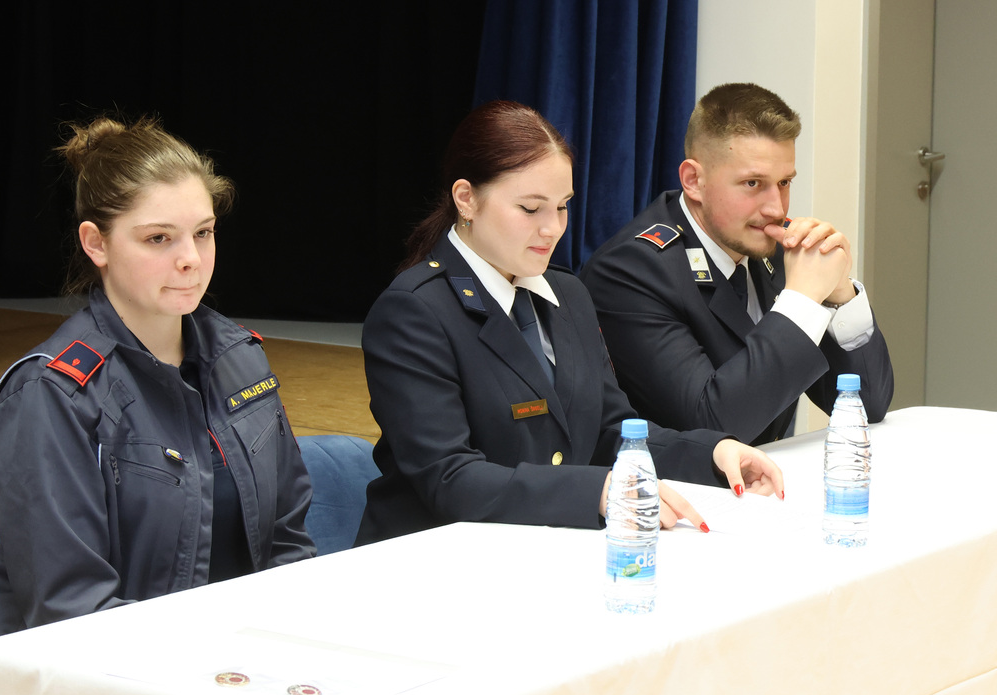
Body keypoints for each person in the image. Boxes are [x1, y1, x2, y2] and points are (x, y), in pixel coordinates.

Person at [356, 100, 783, 546]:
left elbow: (609, 431)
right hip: (431, 557)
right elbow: (449, 479)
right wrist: (596, 491)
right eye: (530, 209)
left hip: (544, 548)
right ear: (466, 199)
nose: (552, 229)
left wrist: (710, 453)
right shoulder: (414, 310)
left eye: (562, 207)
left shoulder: (567, 294)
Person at [0, 117, 314, 635]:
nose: (191, 260)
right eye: (158, 238)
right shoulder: (51, 396)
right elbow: (72, 613)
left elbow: (288, 544)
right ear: (96, 243)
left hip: (245, 658)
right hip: (119, 672)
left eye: (202, 233)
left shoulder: (241, 358)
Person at [580, 83, 894, 447]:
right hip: (672, 482)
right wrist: (802, 300)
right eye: (753, 183)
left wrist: (840, 295)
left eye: (784, 182)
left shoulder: (771, 248)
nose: (776, 208)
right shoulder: (631, 272)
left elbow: (867, 406)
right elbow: (713, 426)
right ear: (693, 181)